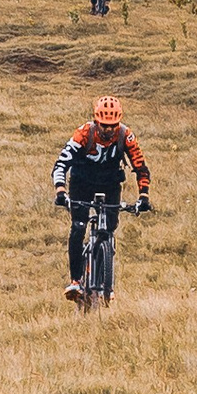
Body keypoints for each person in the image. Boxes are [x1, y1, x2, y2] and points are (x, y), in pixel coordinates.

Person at [52, 95, 150, 301]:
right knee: (78, 226)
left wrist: (144, 196)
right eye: (104, 125)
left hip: (110, 183)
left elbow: (140, 167)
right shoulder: (83, 134)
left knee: (110, 228)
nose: (108, 130)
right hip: (82, 183)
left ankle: (106, 280)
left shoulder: (126, 136)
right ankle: (76, 281)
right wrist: (61, 191)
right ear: (96, 121)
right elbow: (61, 164)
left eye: (112, 126)